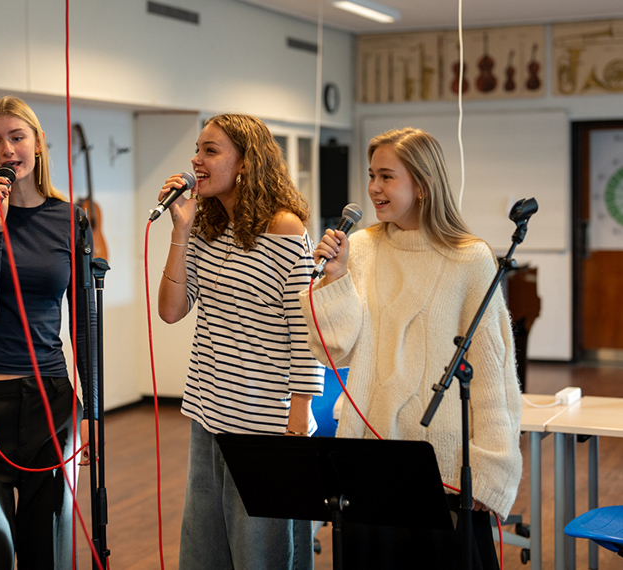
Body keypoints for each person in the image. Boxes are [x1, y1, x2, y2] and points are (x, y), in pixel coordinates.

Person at [299, 127, 521, 569]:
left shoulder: (470, 257)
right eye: (371, 175)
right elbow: (334, 351)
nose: (374, 188)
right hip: (368, 463)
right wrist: (336, 277)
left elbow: (492, 375)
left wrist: (492, 469)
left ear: (421, 184)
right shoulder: (359, 248)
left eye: (387, 177)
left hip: (445, 473)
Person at [157, 113, 325, 569]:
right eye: (197, 149)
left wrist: (296, 429)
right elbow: (171, 310)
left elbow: (306, 336)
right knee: (204, 554)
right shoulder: (207, 226)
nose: (196, 160)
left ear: (247, 163)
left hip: (266, 428)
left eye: (211, 151)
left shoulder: (286, 230)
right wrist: (180, 231)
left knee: (262, 558)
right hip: (208, 415)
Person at [0, 95, 96, 570]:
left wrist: (90, 409)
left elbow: (83, 324)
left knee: (47, 553)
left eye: (16, 136)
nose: (7, 149)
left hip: (50, 402)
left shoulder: (70, 219)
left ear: (39, 144)